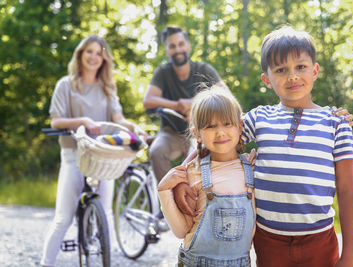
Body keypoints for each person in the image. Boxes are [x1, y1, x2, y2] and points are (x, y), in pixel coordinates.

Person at [173, 26, 353, 267]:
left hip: (319, 240)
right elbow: (215, 141)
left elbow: (346, 191)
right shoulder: (259, 118)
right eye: (281, 70)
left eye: (300, 67)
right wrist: (180, 179)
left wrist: (350, 255)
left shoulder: (336, 123)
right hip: (269, 239)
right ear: (267, 80)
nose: (292, 76)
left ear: (314, 71)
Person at [41, 35, 147, 267]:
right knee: (63, 218)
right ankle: (44, 263)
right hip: (74, 156)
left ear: (104, 59)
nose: (94, 57)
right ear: (80, 54)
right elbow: (56, 121)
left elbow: (118, 118)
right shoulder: (65, 85)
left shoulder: (107, 88)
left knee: (107, 213)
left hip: (103, 156)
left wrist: (134, 128)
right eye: (89, 51)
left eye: (99, 53)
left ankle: (106, 260)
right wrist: (83, 121)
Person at [157, 86, 256, 266]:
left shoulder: (253, 167)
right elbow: (181, 231)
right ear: (197, 134)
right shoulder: (192, 173)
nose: (220, 132)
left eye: (227, 123)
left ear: (240, 126)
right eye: (210, 126)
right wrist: (164, 192)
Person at [142, 25, 228, 183]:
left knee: (200, 158)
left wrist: (194, 104)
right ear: (167, 50)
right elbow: (148, 101)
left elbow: (226, 95)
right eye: (172, 46)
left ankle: (196, 198)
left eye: (181, 44)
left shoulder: (203, 69)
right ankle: (167, 199)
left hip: (200, 132)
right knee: (156, 151)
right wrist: (177, 105)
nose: (177, 49)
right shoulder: (163, 72)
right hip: (171, 133)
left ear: (188, 45)